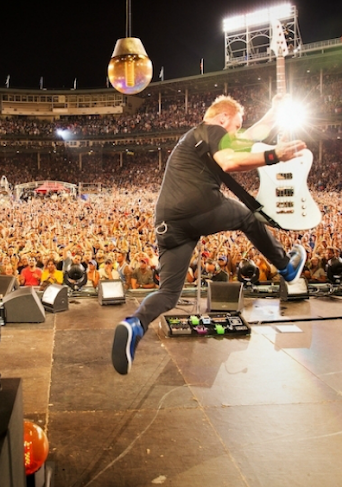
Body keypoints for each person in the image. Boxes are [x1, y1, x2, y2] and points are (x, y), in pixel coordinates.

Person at [111, 94, 308, 375]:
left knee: (168, 294)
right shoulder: (212, 130)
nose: (238, 132)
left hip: (168, 221)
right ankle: (286, 267)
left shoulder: (196, 140)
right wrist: (274, 155)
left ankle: (134, 325)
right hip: (198, 204)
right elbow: (229, 161)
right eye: (236, 125)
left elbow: (248, 140)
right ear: (223, 118)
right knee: (247, 217)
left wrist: (274, 114)